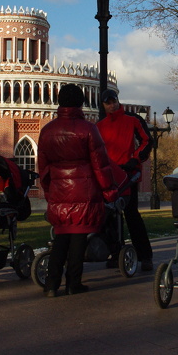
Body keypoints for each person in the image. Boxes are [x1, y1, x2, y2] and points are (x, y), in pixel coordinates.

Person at [37, 84, 118, 297]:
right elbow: (100, 165)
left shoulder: (47, 131)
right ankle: (74, 283)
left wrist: (49, 190)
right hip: (84, 190)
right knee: (79, 238)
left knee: (61, 239)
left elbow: (42, 167)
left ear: (59, 102)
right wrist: (109, 191)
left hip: (59, 191)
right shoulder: (88, 129)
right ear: (81, 102)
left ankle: (51, 284)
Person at [97, 89, 154, 271]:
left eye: (114, 101)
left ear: (118, 101)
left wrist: (135, 159)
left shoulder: (132, 119)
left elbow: (147, 141)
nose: (112, 105)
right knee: (110, 217)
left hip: (128, 175)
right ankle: (115, 253)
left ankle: (145, 256)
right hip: (108, 176)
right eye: (108, 103)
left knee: (131, 215)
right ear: (104, 105)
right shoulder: (100, 126)